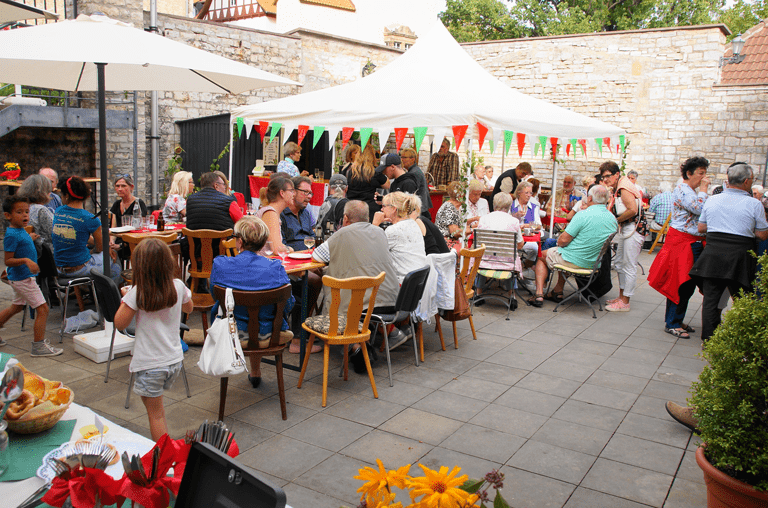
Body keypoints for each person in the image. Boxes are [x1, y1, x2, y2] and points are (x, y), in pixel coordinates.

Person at [114, 238, 193, 441]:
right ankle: (165, 449)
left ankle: (165, 453)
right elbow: (189, 308)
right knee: (157, 411)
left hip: (150, 364)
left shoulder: (137, 293)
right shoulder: (178, 285)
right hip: (174, 361)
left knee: (156, 415)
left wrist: (126, 298)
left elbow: (119, 323)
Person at [210, 216, 300, 388]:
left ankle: (254, 371)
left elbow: (216, 297)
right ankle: (255, 371)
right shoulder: (276, 268)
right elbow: (288, 305)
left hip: (231, 333)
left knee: (246, 315)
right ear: (263, 242)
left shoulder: (221, 265)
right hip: (271, 334)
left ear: (239, 241)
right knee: (260, 315)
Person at [312, 200, 400, 364]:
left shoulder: (341, 234)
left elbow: (317, 256)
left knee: (344, 297)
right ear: (368, 217)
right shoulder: (380, 232)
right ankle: (360, 345)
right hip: (391, 299)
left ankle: (355, 346)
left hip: (363, 304)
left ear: (345, 218)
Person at [689, 162, 768, 342]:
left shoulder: (712, 200)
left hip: (713, 253)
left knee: (710, 300)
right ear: (747, 181)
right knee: (742, 300)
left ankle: (709, 341)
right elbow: (763, 234)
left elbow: (701, 228)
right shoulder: (754, 204)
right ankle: (741, 340)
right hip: (740, 255)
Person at [647, 157, 710, 338]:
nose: (704, 178)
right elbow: (699, 208)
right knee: (680, 283)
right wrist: (704, 190)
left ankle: (676, 319)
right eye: (701, 173)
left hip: (690, 241)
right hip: (683, 243)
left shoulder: (689, 191)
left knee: (687, 285)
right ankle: (672, 323)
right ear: (689, 173)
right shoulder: (683, 190)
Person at [530, 185, 617, 307]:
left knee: (542, 255)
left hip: (574, 261)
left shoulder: (583, 215)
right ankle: (557, 291)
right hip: (594, 263)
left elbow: (562, 241)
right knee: (564, 251)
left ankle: (539, 294)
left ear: (590, 198)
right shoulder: (612, 218)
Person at [0, 195, 60, 356]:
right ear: (8, 215)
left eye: (26, 211)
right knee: (43, 309)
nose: (25, 215)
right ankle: (38, 346)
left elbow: (21, 242)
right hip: (23, 279)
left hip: (20, 278)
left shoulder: (20, 231)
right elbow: (8, 260)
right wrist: (27, 261)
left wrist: (29, 238)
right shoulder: (12, 235)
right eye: (19, 212)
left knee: (17, 307)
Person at [53, 176, 121, 282]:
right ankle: (110, 292)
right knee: (115, 263)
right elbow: (100, 248)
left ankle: (86, 289)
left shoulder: (58, 212)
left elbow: (75, 235)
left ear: (66, 195)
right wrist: (96, 249)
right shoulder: (90, 218)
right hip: (79, 269)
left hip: (58, 269)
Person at [600, 161, 643, 312]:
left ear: (617, 174)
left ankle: (625, 301)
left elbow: (632, 210)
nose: (605, 179)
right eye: (603, 177)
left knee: (628, 265)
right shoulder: (620, 185)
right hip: (627, 228)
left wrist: (616, 220)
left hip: (633, 228)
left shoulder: (623, 187)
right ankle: (621, 297)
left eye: (608, 176)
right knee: (619, 262)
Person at [473, 192, 525, 306]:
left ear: (494, 204)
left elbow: (479, 242)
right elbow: (520, 244)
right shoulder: (514, 221)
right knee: (512, 257)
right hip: (507, 264)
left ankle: (478, 293)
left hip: (484, 262)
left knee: (483, 255)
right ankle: (512, 296)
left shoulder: (484, 219)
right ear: (509, 206)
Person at [372, 192, 428, 283]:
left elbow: (371, 251)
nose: (381, 209)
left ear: (393, 209)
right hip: (417, 281)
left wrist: (375, 224)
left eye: (384, 206)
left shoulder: (394, 230)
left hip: (401, 283)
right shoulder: (413, 224)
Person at [345, 144, 388, 221]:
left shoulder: (350, 171)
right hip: (369, 209)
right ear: (372, 156)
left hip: (353, 207)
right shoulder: (375, 172)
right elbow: (387, 185)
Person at [510, 181, 542, 276]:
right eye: (526, 193)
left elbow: (539, 226)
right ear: (519, 193)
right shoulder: (510, 205)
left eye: (530, 193)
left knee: (534, 248)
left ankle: (523, 267)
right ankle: (514, 269)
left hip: (528, 237)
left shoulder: (534, 207)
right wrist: (515, 216)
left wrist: (527, 225)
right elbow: (506, 221)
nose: (529, 195)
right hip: (513, 238)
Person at [256, 176, 294, 255]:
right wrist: (291, 249)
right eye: (291, 191)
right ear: (282, 193)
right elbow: (277, 250)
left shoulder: (271, 212)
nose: (294, 194)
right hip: (264, 261)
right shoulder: (270, 213)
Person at [18, 175, 54, 252]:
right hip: (45, 253)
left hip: (27, 251)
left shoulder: (21, 208)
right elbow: (55, 233)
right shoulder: (40, 210)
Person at [280, 176, 316, 251]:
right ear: (293, 192)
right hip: (291, 256)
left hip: (309, 255)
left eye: (310, 193)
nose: (309, 196)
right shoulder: (281, 214)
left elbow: (313, 238)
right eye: (305, 192)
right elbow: (281, 246)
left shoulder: (305, 213)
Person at [400, 147, 431, 219]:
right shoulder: (414, 170)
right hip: (421, 207)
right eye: (401, 157)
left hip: (419, 209)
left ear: (412, 159)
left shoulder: (414, 173)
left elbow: (412, 192)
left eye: (404, 157)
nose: (402, 159)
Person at [316, 173, 348, 238]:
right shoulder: (344, 204)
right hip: (334, 242)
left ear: (329, 187)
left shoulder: (326, 201)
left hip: (320, 240)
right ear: (346, 188)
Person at [435, 181, 464, 251]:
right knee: (468, 252)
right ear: (460, 196)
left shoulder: (449, 205)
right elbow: (455, 232)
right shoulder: (450, 208)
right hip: (445, 243)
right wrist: (471, 230)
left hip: (446, 241)